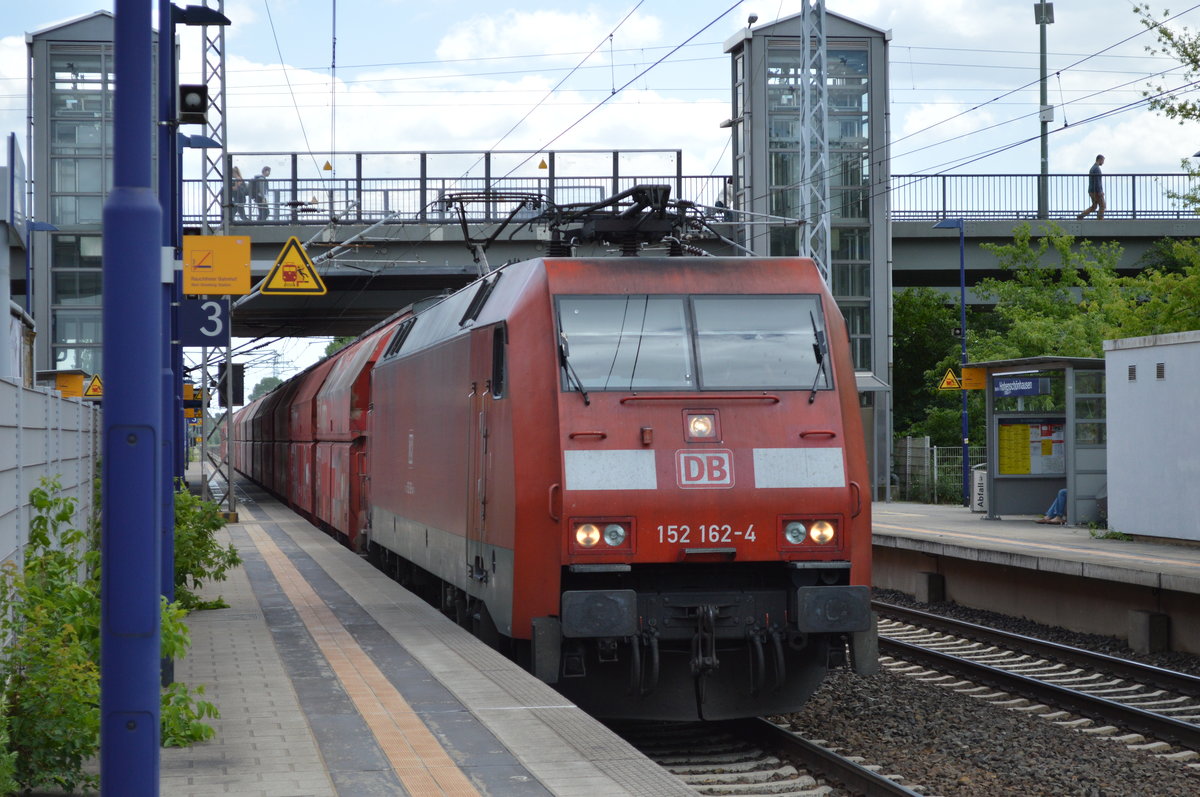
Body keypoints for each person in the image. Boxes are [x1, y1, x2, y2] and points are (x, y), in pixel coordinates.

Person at [1076, 155, 1105, 220]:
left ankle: (1080, 216)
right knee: (1102, 205)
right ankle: (1100, 220)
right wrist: (1100, 192)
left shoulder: (1093, 168)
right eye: (1103, 160)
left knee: (1094, 206)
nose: (1103, 162)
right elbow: (1097, 182)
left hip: (1091, 190)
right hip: (1096, 191)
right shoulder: (1096, 169)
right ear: (1099, 160)